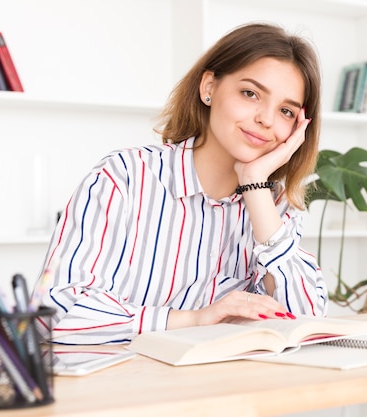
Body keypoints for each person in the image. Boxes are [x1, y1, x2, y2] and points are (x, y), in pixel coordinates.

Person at [36, 22, 328, 344]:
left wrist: (255, 186)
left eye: (286, 111)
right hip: (123, 387)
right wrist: (194, 319)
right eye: (250, 93)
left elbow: (306, 323)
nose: (267, 119)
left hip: (224, 388)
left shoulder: (272, 206)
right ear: (209, 87)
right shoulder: (125, 177)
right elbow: (55, 309)